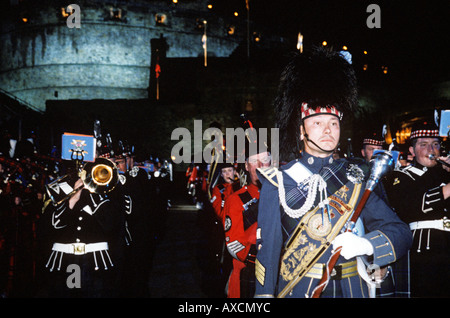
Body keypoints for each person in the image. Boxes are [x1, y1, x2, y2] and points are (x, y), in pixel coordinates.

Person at [254, 47, 412, 298]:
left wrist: (367, 244)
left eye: (333, 123)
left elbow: (401, 232)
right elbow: (269, 253)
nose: (328, 130)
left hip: (354, 289)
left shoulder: (357, 176)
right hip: (301, 289)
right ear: (301, 132)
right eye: (318, 123)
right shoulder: (279, 181)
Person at [38, 157, 125, 298]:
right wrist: (73, 198)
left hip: (95, 260)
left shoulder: (109, 192)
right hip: (65, 260)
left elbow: (109, 225)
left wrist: (92, 192)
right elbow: (52, 225)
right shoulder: (59, 189)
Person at [385, 121, 450, 297]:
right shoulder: (400, 176)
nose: (432, 150)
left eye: (435, 144)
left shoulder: (445, 173)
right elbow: (412, 207)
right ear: (412, 151)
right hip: (424, 250)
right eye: (424, 145)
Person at [223, 147, 271, 298]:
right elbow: (235, 246)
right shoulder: (236, 200)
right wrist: (269, 257)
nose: (260, 165)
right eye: (254, 161)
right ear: (246, 166)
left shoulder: (281, 194)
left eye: (264, 160)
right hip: (249, 272)